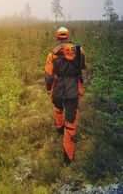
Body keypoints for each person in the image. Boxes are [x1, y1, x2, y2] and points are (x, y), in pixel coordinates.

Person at [45, 27, 86, 165]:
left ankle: (58, 129)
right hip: (73, 90)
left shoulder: (52, 54)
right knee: (71, 122)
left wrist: (48, 87)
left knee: (58, 109)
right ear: (68, 37)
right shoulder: (80, 51)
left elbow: (49, 75)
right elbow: (83, 66)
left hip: (58, 89)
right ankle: (68, 157)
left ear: (57, 37)